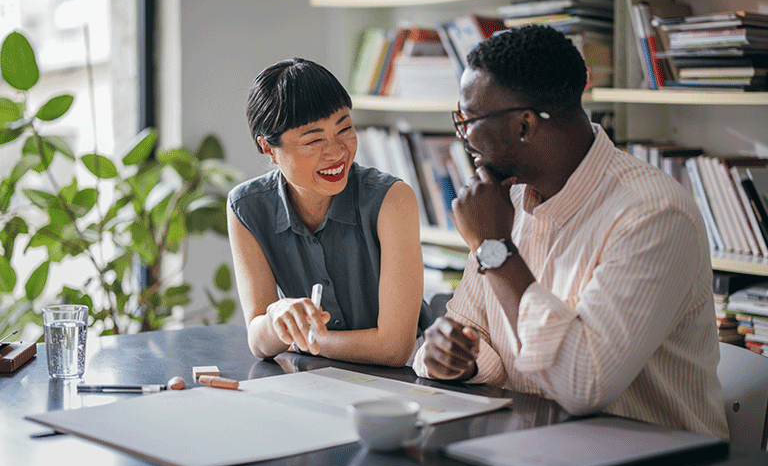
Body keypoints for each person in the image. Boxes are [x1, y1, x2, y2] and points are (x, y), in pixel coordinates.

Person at [413, 25, 729, 439]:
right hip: (538, 445)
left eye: (469, 120)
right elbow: (478, 335)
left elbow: (583, 384)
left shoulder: (652, 215)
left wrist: (495, 248)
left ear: (524, 125)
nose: (465, 139)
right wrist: (458, 358)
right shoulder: (506, 200)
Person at [228, 58, 430, 367]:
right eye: (313, 140)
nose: (337, 152)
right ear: (269, 149)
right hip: (315, 379)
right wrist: (275, 319)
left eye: (345, 129)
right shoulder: (246, 206)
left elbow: (394, 348)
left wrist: (307, 341)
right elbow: (258, 340)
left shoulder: (392, 199)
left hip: (406, 377)